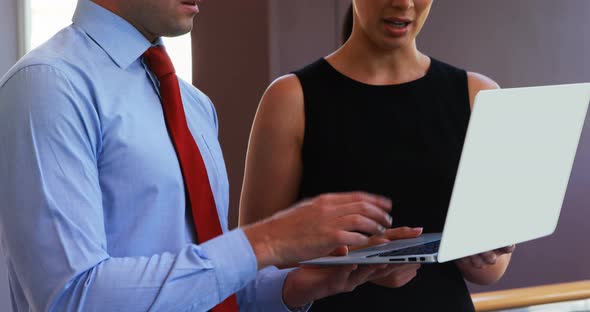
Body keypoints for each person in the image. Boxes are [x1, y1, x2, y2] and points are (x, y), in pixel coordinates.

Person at [0, 0, 422, 311]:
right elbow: (73, 298)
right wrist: (268, 240)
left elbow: (205, 285)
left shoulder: (194, 105)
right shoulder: (48, 85)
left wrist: (300, 283)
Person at [239, 0, 516, 311]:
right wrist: (353, 263)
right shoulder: (290, 98)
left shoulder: (480, 95)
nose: (403, 3)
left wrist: (477, 248)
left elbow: (492, 270)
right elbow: (257, 262)